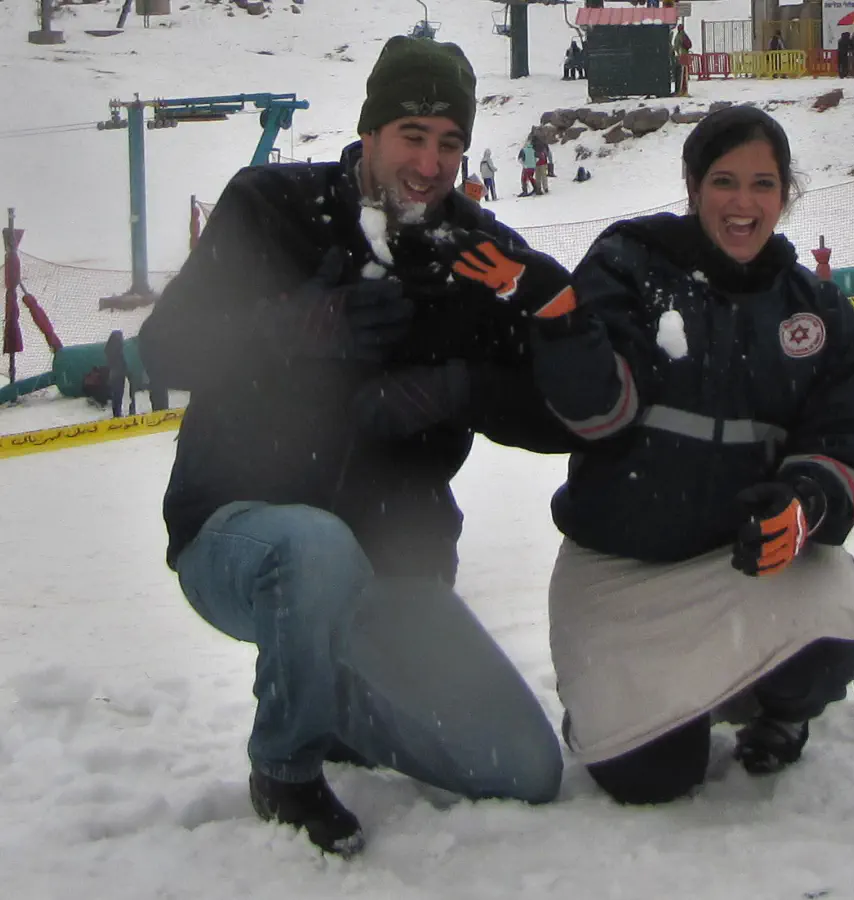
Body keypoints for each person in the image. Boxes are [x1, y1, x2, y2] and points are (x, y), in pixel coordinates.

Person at [138, 35, 580, 856]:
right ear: (370, 130)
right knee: (314, 547)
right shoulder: (273, 207)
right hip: (240, 536)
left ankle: (334, 698)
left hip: (393, 568)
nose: (430, 163)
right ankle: (285, 765)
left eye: (449, 142)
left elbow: (562, 410)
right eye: (412, 135)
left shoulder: (474, 254)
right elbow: (163, 351)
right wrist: (299, 326)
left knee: (522, 767)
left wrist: (460, 388)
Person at [527, 106, 854, 804]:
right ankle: (617, 705)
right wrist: (564, 339)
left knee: (832, 635)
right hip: (620, 570)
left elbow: (850, 438)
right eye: (724, 181)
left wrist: (804, 502)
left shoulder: (816, 311)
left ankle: (774, 710)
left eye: (763, 184)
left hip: (741, 568)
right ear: (693, 186)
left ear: (785, 193)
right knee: (651, 779)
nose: (742, 203)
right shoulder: (629, 265)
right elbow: (600, 412)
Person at [104, 329, 132, 417]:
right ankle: (118, 413)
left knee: (116, 395)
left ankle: (117, 413)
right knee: (119, 395)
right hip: (119, 374)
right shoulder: (118, 350)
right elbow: (122, 362)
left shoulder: (109, 349)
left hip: (114, 374)